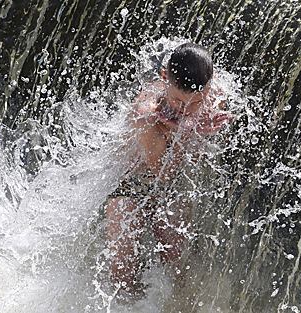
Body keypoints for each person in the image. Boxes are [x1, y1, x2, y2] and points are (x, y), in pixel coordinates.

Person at [106, 42, 230, 299]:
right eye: (177, 100)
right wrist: (189, 127)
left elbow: (188, 165)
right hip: (131, 182)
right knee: (123, 284)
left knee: (177, 272)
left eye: (196, 102)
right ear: (165, 78)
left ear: (210, 82)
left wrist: (195, 123)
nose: (185, 108)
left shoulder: (214, 94)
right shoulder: (146, 113)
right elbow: (164, 171)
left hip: (170, 187)